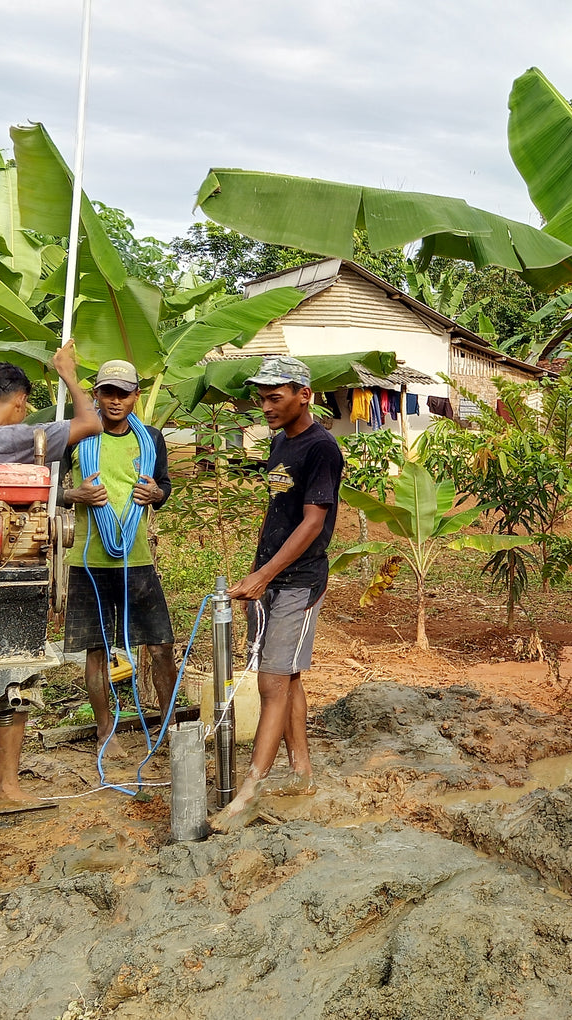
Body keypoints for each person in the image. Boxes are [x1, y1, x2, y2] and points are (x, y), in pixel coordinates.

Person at [0, 344, 102, 804]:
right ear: (19, 402)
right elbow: (90, 423)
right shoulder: (5, 436)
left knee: (15, 690)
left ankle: (1, 786)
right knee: (11, 690)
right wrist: (68, 373)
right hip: (0, 582)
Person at [210, 356, 342, 831]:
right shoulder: (281, 443)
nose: (264, 406)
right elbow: (279, 512)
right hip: (270, 577)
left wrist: (266, 575)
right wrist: (257, 571)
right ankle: (302, 773)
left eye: (274, 397)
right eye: (260, 398)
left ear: (303, 394)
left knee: (271, 682)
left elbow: (313, 522)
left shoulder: (321, 448)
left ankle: (250, 792)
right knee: (287, 679)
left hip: (299, 581)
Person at [60, 359, 176, 759]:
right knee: (96, 649)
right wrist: (73, 495)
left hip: (137, 561)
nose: (114, 400)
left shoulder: (152, 439)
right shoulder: (77, 437)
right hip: (88, 562)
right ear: (96, 395)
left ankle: (169, 727)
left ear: (135, 397)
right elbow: (48, 491)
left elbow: (164, 485)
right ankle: (104, 732)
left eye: (122, 393)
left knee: (160, 645)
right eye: (107, 392)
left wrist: (157, 495)